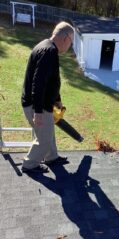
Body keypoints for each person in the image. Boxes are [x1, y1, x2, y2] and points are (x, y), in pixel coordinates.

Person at [21, 21, 74, 173]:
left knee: (48, 131)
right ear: (65, 39)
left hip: (43, 103)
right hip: (37, 105)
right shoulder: (48, 52)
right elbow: (38, 84)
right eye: (71, 42)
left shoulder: (47, 46)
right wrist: (37, 112)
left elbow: (51, 79)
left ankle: (52, 157)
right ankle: (29, 165)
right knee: (43, 139)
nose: (70, 47)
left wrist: (57, 99)